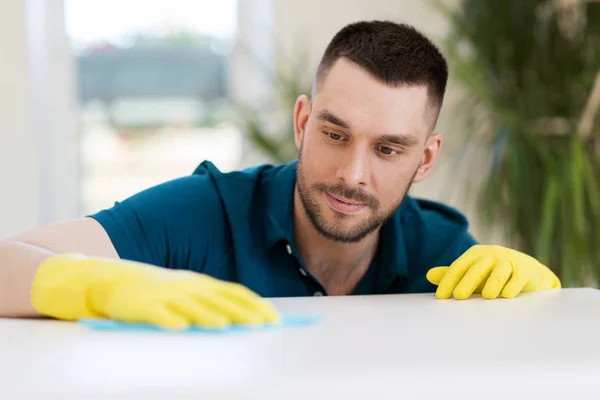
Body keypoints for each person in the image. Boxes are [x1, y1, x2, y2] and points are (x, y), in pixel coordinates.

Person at [0, 20, 561, 330]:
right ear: (302, 121)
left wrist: (540, 310)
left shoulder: (443, 253)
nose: (352, 175)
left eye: (389, 149)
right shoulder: (205, 213)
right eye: (335, 135)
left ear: (426, 159)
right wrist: (95, 284)